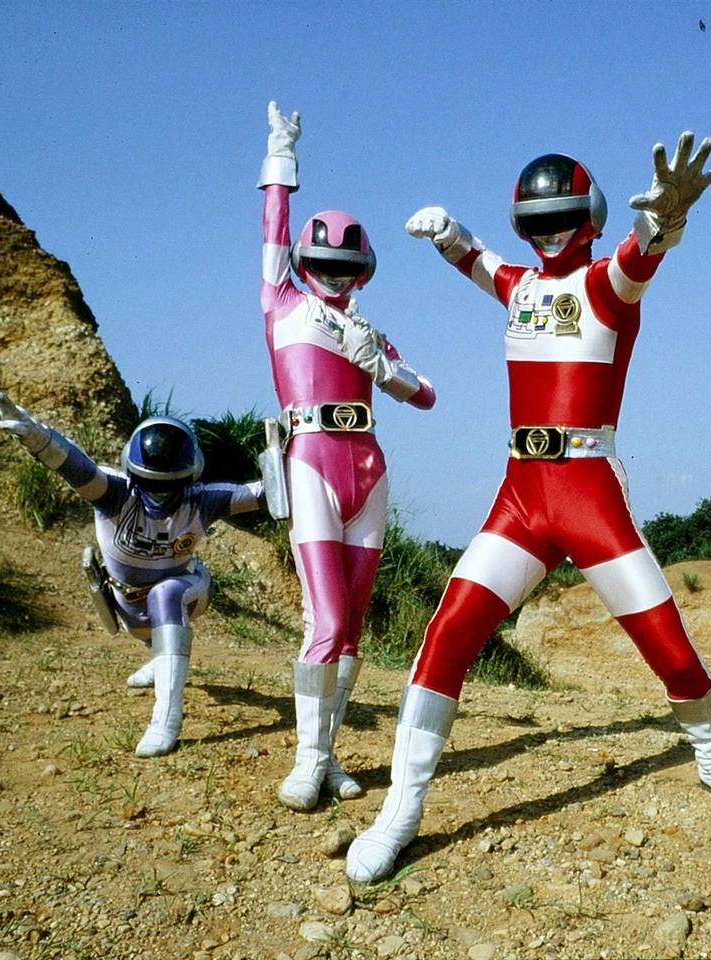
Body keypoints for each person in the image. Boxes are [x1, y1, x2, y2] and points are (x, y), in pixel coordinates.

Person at [346, 132, 711, 884]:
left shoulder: (606, 286)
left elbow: (641, 255)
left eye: (563, 218)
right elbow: (481, 264)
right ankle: (401, 811)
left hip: (589, 492)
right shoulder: (522, 288)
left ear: (591, 218)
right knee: (448, 632)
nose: (549, 233)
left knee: (667, 645)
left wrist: (665, 218)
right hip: (521, 494)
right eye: (536, 222)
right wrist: (449, 235)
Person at [258, 101, 436, 810]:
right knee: (326, 621)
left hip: (368, 469)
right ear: (307, 265)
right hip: (310, 461)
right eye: (324, 264)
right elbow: (272, 232)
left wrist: (381, 366)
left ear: (362, 271)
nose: (334, 276)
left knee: (353, 627)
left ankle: (326, 755)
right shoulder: (282, 305)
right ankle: (308, 761)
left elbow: (426, 394)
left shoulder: (368, 331)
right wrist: (282, 157)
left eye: (346, 267)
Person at [0, 388, 262, 757]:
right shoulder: (113, 494)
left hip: (188, 588)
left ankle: (166, 720)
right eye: (152, 484)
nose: (161, 496)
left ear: (190, 476)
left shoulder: (203, 501)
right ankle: (159, 659)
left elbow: (264, 492)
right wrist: (38, 437)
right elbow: (75, 466)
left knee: (165, 595)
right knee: (147, 623)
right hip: (127, 604)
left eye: (171, 486)